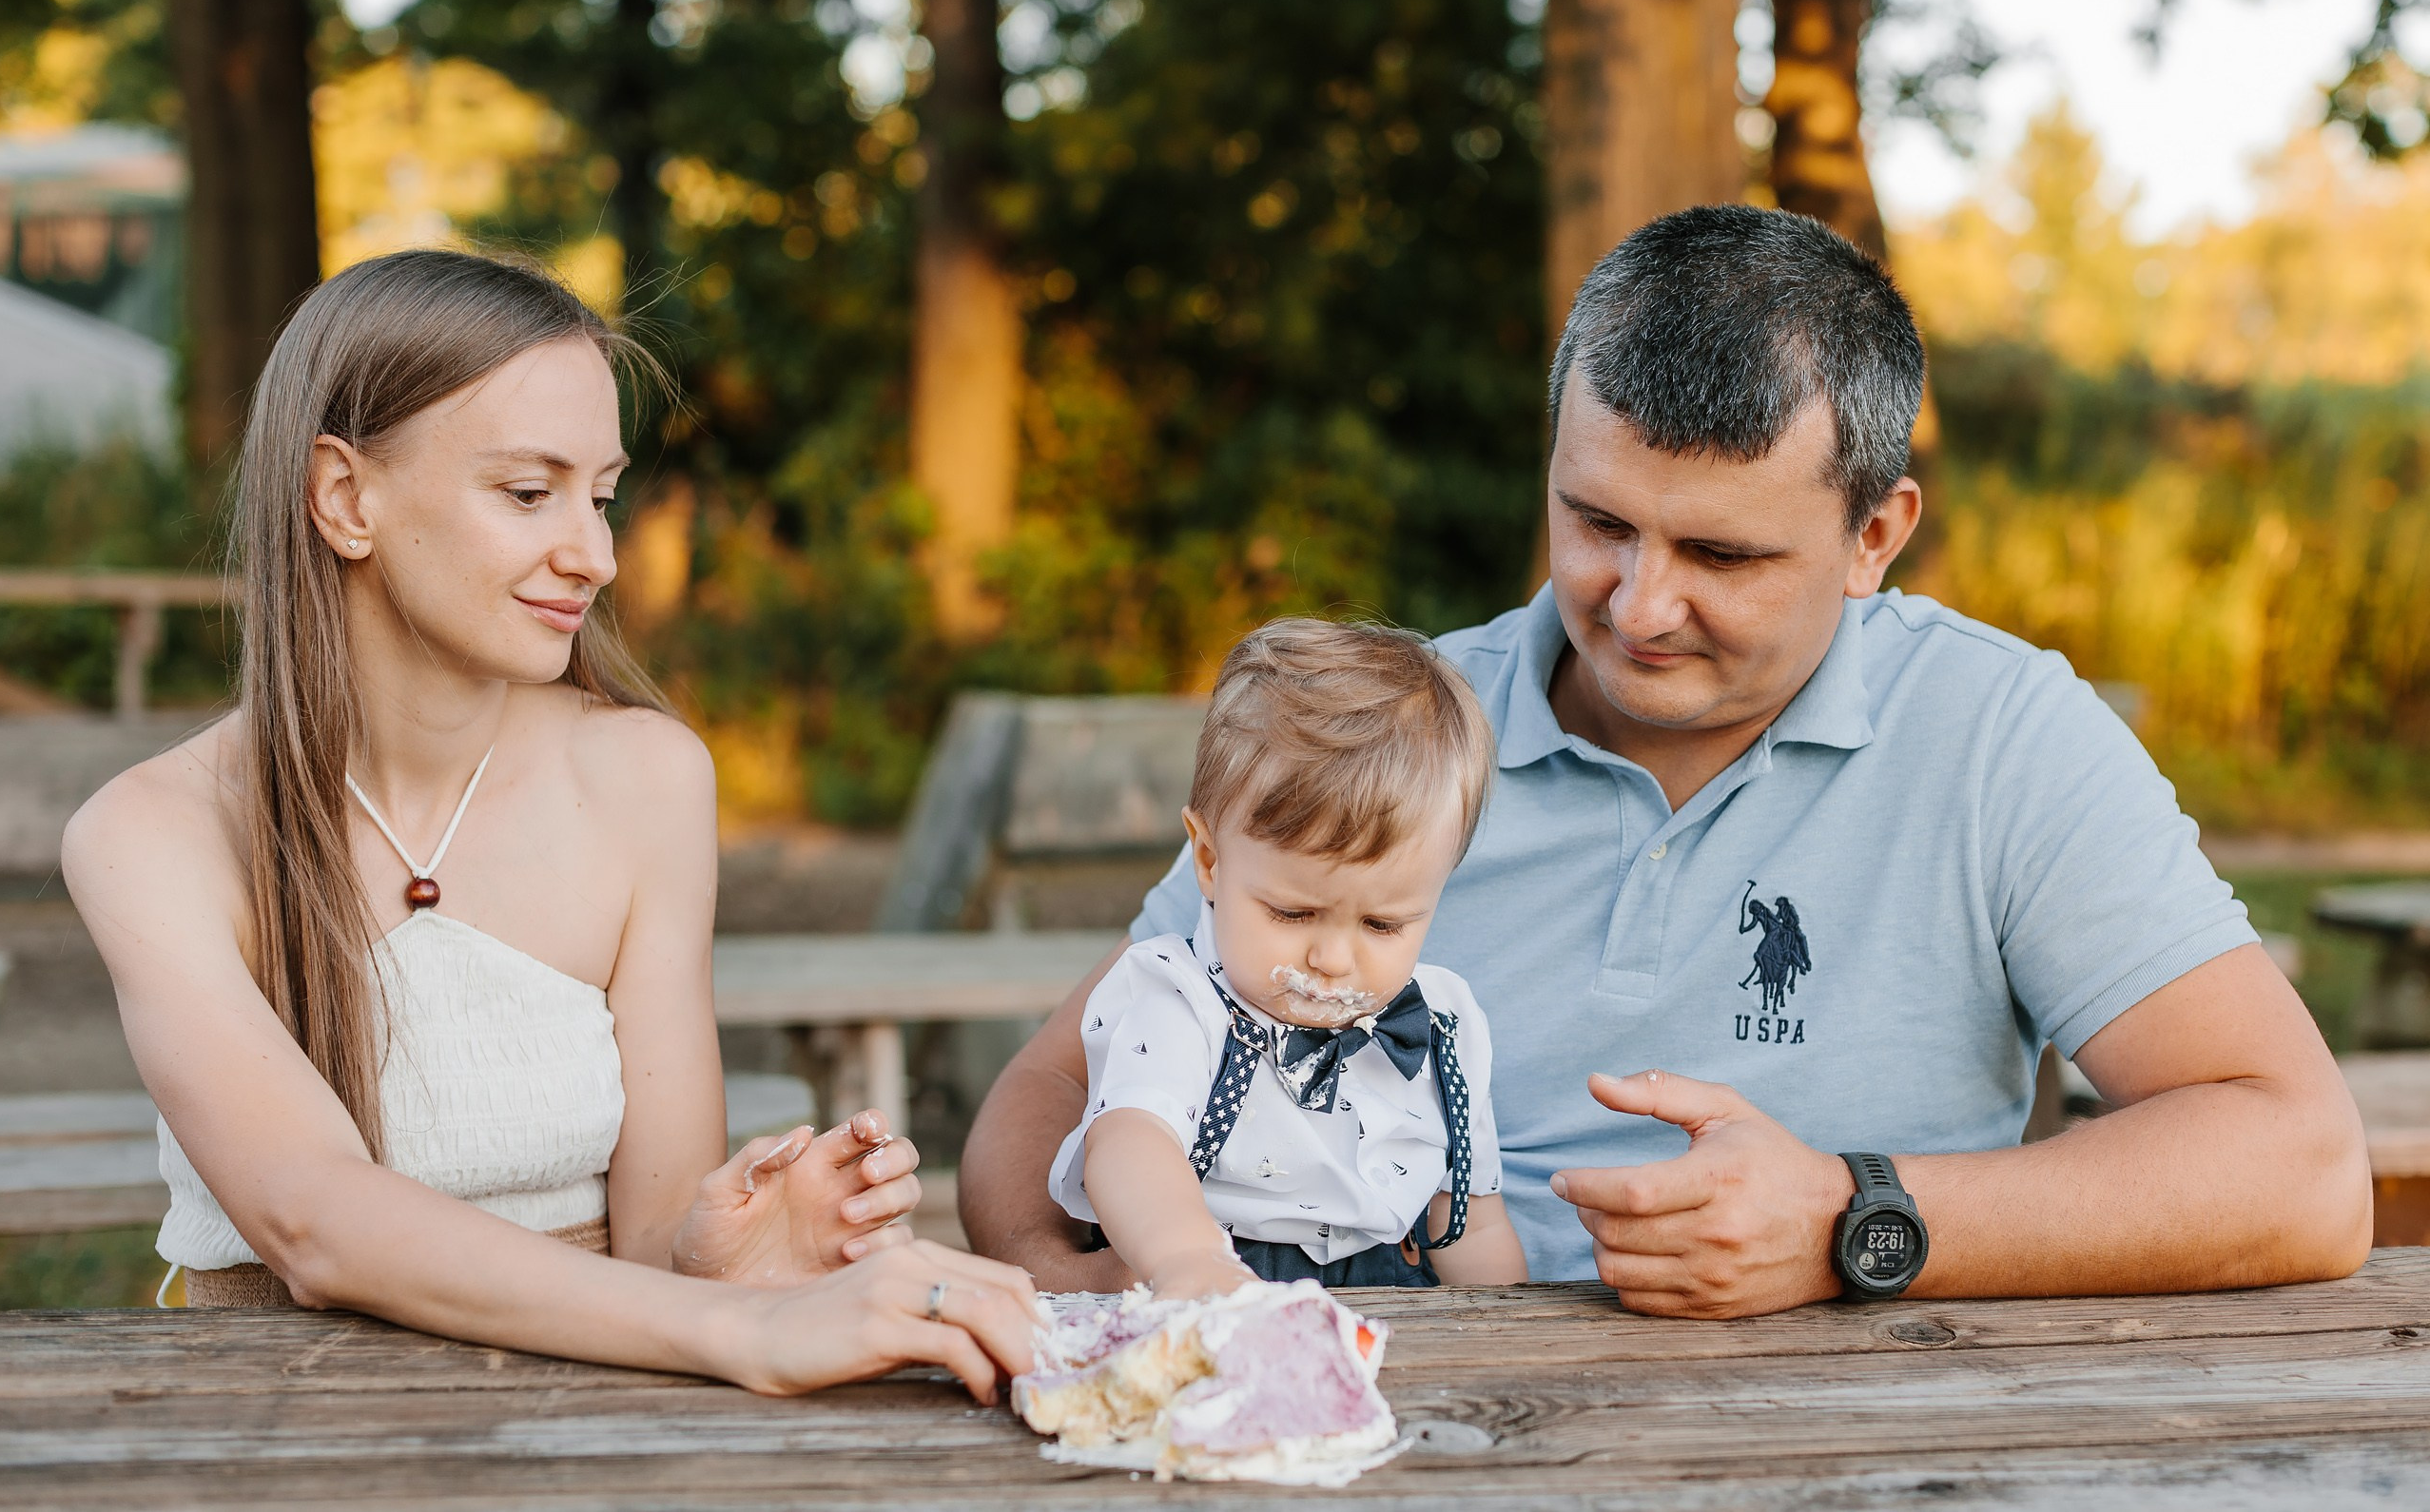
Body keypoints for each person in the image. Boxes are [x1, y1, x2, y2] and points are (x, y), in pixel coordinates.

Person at [962, 204, 2372, 1316]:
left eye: (1724, 553)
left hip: (1858, 1430)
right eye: (1597, 520)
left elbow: (2301, 1168)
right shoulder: (1390, 731)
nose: (1637, 604)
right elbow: (1050, 1101)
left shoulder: (2005, 736)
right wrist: (1107, 1294)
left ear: (1876, 533)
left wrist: (1850, 1218)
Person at [64, 249, 1038, 1398]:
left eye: (602, 494)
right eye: (530, 493)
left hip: (587, 1411)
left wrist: (716, 1262)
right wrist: (743, 1335)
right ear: (344, 497)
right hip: (275, 1419)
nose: (596, 555)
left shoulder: (646, 779)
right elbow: (313, 1222)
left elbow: (656, 1249)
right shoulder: (155, 833)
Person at [1049, 619, 1529, 1298]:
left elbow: (1470, 1221)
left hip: (1396, 1293)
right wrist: (1186, 1258)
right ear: (1209, 861)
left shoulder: (1444, 1025)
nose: (1332, 957)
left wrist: (1507, 1338)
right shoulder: (1182, 1000)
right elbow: (1130, 1143)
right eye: (1293, 912)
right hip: (1225, 1278)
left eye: (1383, 922)